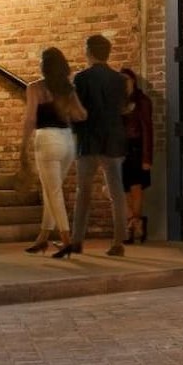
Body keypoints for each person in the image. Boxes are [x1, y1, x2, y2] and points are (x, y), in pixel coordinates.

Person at [18, 48, 87, 258]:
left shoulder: (35, 88)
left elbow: (30, 119)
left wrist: (23, 146)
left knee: (53, 192)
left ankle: (67, 241)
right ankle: (42, 238)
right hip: (67, 140)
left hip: (46, 140)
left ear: (43, 66)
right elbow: (81, 115)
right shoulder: (68, 89)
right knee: (52, 190)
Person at [68, 34, 128, 256]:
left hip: (88, 141)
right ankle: (118, 242)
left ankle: (77, 240)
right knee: (117, 193)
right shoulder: (119, 80)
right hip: (113, 140)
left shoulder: (81, 78)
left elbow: (77, 110)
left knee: (83, 192)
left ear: (89, 52)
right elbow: (121, 109)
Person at [119, 68, 153, 244]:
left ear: (133, 81)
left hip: (137, 149)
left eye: (126, 79)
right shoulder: (117, 102)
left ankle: (132, 226)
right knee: (121, 189)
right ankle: (136, 221)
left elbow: (147, 129)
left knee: (136, 188)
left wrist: (147, 158)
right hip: (120, 150)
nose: (124, 83)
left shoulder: (142, 101)